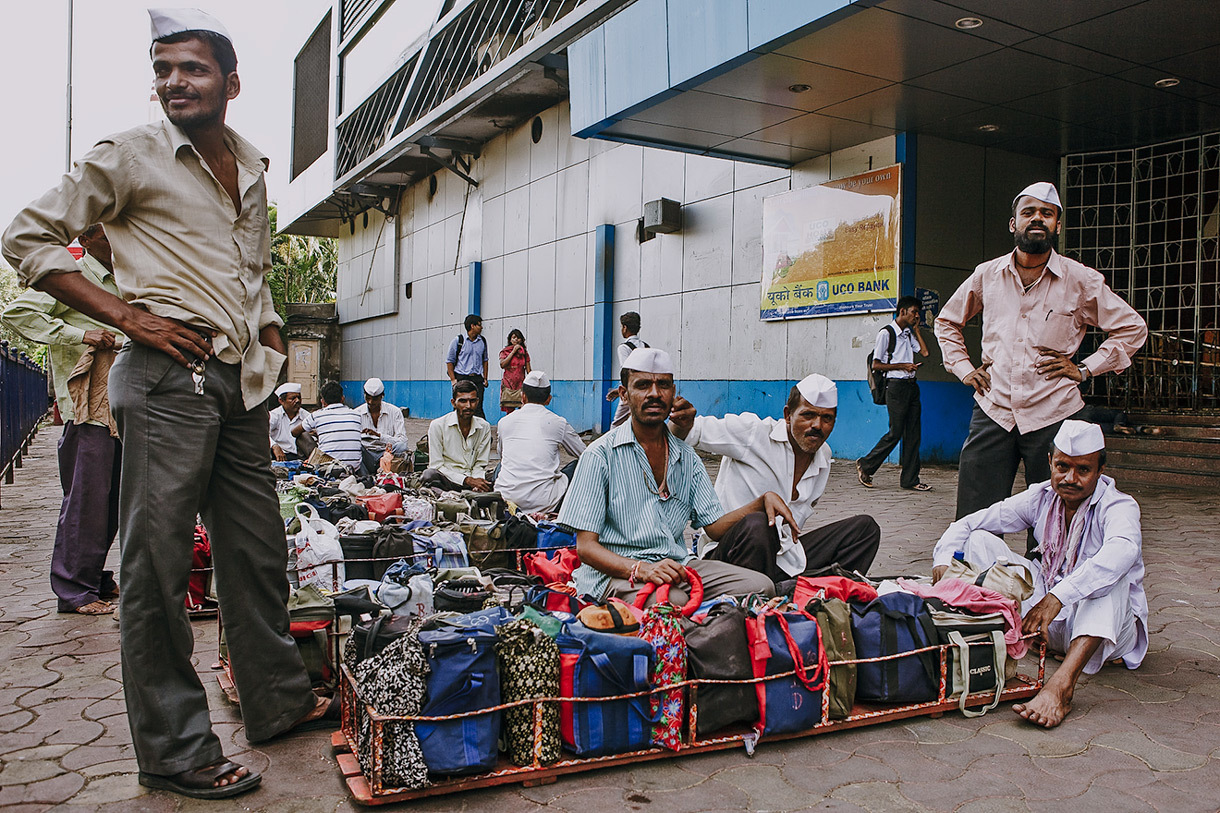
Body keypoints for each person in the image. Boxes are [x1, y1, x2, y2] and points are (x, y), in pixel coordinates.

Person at [0, 9, 333, 798]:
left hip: (240, 387)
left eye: (193, 68)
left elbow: (247, 276)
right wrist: (127, 314)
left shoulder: (249, 164)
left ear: (231, 82)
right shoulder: (130, 154)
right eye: (163, 69)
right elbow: (29, 237)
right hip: (164, 380)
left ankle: (278, 701)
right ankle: (176, 750)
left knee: (254, 555)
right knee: (155, 569)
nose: (175, 82)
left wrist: (274, 345)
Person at [935, 182, 1147, 525]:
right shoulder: (987, 275)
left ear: (1057, 226)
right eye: (1029, 212)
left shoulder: (1081, 280)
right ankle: (972, 578)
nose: (1038, 219)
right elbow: (946, 322)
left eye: (1047, 214)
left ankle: (1050, 577)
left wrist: (1086, 369)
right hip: (994, 409)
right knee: (976, 515)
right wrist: (963, 368)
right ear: (1013, 223)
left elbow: (1133, 328)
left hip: (1054, 413)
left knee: (1055, 516)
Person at [931, 420, 1147, 729]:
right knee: (979, 540)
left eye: (1083, 470)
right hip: (1043, 618)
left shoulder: (1119, 506)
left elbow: (1123, 551)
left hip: (1102, 631)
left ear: (1100, 470)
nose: (1070, 478)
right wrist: (943, 559)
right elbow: (970, 523)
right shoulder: (1041, 496)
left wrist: (1058, 597)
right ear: (1050, 462)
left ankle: (1061, 687)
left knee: (1112, 575)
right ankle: (996, 636)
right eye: (1062, 466)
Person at [559, 347, 790, 605]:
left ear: (673, 392)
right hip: (616, 573)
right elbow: (586, 548)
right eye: (643, 385)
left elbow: (713, 528)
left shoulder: (686, 457)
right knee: (671, 601)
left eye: (663, 385)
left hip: (678, 567)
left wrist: (760, 502)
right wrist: (641, 569)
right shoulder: (600, 455)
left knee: (761, 586)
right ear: (624, 394)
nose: (655, 394)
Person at [1, 223, 123, 616]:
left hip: (125, 407)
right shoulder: (73, 276)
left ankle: (94, 577)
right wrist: (81, 334)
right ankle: (74, 591)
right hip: (87, 408)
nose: (117, 242)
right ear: (85, 240)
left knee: (116, 500)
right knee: (87, 500)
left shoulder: (129, 275)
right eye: (107, 236)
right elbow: (17, 312)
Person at [669, 374, 881, 588]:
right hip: (731, 556)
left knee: (864, 530)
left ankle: (808, 593)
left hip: (784, 559)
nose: (817, 425)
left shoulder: (823, 457)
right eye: (808, 415)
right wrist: (681, 421)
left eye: (826, 418)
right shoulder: (754, 433)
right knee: (759, 523)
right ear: (788, 415)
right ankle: (766, 595)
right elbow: (687, 433)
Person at [857, 295, 932, 491]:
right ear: (902, 312)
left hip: (911, 386)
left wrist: (916, 329)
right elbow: (876, 364)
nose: (917, 316)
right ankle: (866, 465)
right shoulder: (886, 333)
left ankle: (910, 479)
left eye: (918, 313)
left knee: (913, 434)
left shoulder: (908, 334)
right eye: (914, 312)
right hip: (895, 387)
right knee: (896, 432)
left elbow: (924, 353)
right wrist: (903, 366)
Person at [495, 370, 584, 513]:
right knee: (580, 464)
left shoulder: (504, 422)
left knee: (502, 465)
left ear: (522, 396)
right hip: (545, 503)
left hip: (506, 499)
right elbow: (585, 453)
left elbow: (502, 454)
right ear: (548, 399)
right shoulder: (558, 423)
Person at [421, 379, 492, 492]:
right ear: (453, 402)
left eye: (472, 401)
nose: (468, 406)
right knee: (429, 475)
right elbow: (437, 465)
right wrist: (466, 480)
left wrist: (477, 481)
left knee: (501, 473)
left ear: (477, 402)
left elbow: (480, 464)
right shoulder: (438, 425)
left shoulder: (484, 427)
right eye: (463, 401)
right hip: (448, 480)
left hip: (473, 479)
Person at [296, 380, 362, 471]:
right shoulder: (356, 415)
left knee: (302, 435)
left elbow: (294, 432)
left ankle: (309, 465)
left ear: (322, 401)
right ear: (343, 398)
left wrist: (315, 432)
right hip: (353, 468)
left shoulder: (316, 415)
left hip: (327, 468)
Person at [354, 377, 409, 474]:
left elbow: (402, 439)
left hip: (387, 453)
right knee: (355, 447)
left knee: (401, 447)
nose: (371, 402)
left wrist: (379, 436)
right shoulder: (356, 413)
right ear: (364, 396)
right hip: (367, 454)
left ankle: (387, 474)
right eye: (368, 398)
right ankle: (365, 477)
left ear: (382, 396)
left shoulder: (394, 412)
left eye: (374, 399)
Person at [607, 311, 648, 427]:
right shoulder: (646, 346)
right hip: (645, 390)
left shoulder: (624, 348)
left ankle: (614, 445)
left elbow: (627, 372)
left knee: (617, 425)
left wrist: (621, 390)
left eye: (621, 326)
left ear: (625, 327)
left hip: (631, 390)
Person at [445, 313, 489, 419]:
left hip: (477, 378)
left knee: (477, 406)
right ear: (472, 326)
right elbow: (449, 361)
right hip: (462, 377)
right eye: (479, 325)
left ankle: (481, 433)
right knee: (460, 406)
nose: (481, 327)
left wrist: (485, 378)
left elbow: (485, 360)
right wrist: (453, 380)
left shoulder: (482, 341)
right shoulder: (458, 341)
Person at [268, 382, 313, 461]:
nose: (297, 401)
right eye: (293, 398)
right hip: (280, 455)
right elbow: (263, 433)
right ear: (281, 401)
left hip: (301, 457)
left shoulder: (306, 416)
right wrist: (275, 446)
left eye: (299, 398)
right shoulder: (275, 415)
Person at [498, 328, 531, 413]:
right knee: (509, 410)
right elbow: (502, 365)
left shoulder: (524, 353)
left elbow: (528, 370)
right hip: (508, 383)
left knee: (522, 408)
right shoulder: (505, 352)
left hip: (520, 384)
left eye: (518, 338)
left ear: (521, 340)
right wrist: (513, 351)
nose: (516, 339)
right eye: (514, 337)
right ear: (510, 340)